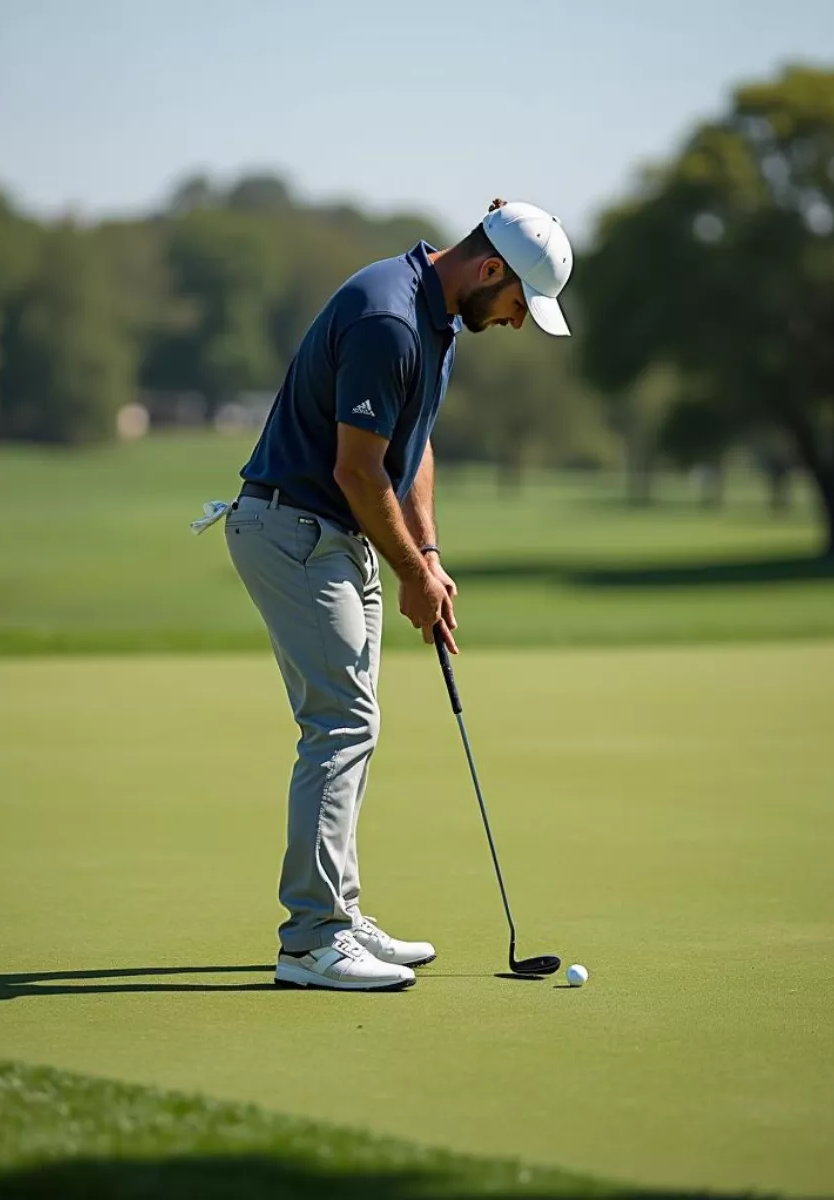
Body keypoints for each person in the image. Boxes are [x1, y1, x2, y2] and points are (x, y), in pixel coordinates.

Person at [220, 199, 573, 991]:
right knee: (340, 723)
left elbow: (409, 452)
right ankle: (311, 940)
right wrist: (412, 573)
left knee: (355, 722)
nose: (518, 322)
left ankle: (339, 914)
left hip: (337, 535)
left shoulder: (435, 316)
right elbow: (354, 469)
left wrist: (431, 557)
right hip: (296, 530)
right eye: (520, 304)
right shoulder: (392, 321)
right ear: (491, 271)